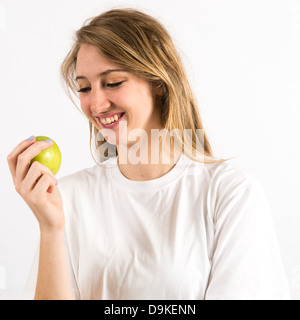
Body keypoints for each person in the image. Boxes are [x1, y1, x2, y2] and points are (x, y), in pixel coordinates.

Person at [7, 8, 290, 300]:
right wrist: (51, 229)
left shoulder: (229, 194)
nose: (96, 103)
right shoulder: (67, 197)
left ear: (158, 82)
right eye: (84, 87)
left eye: (113, 82)